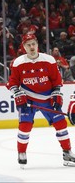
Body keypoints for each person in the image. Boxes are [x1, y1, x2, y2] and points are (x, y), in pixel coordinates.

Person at [6, 34, 75, 168]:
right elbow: (12, 83)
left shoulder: (49, 60)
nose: (31, 47)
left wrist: (57, 94)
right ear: (24, 47)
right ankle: (22, 152)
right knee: (25, 126)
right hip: (28, 99)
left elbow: (57, 81)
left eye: (33, 44)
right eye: (28, 45)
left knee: (61, 123)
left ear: (37, 44)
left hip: (47, 98)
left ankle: (67, 152)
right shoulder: (18, 62)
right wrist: (17, 93)